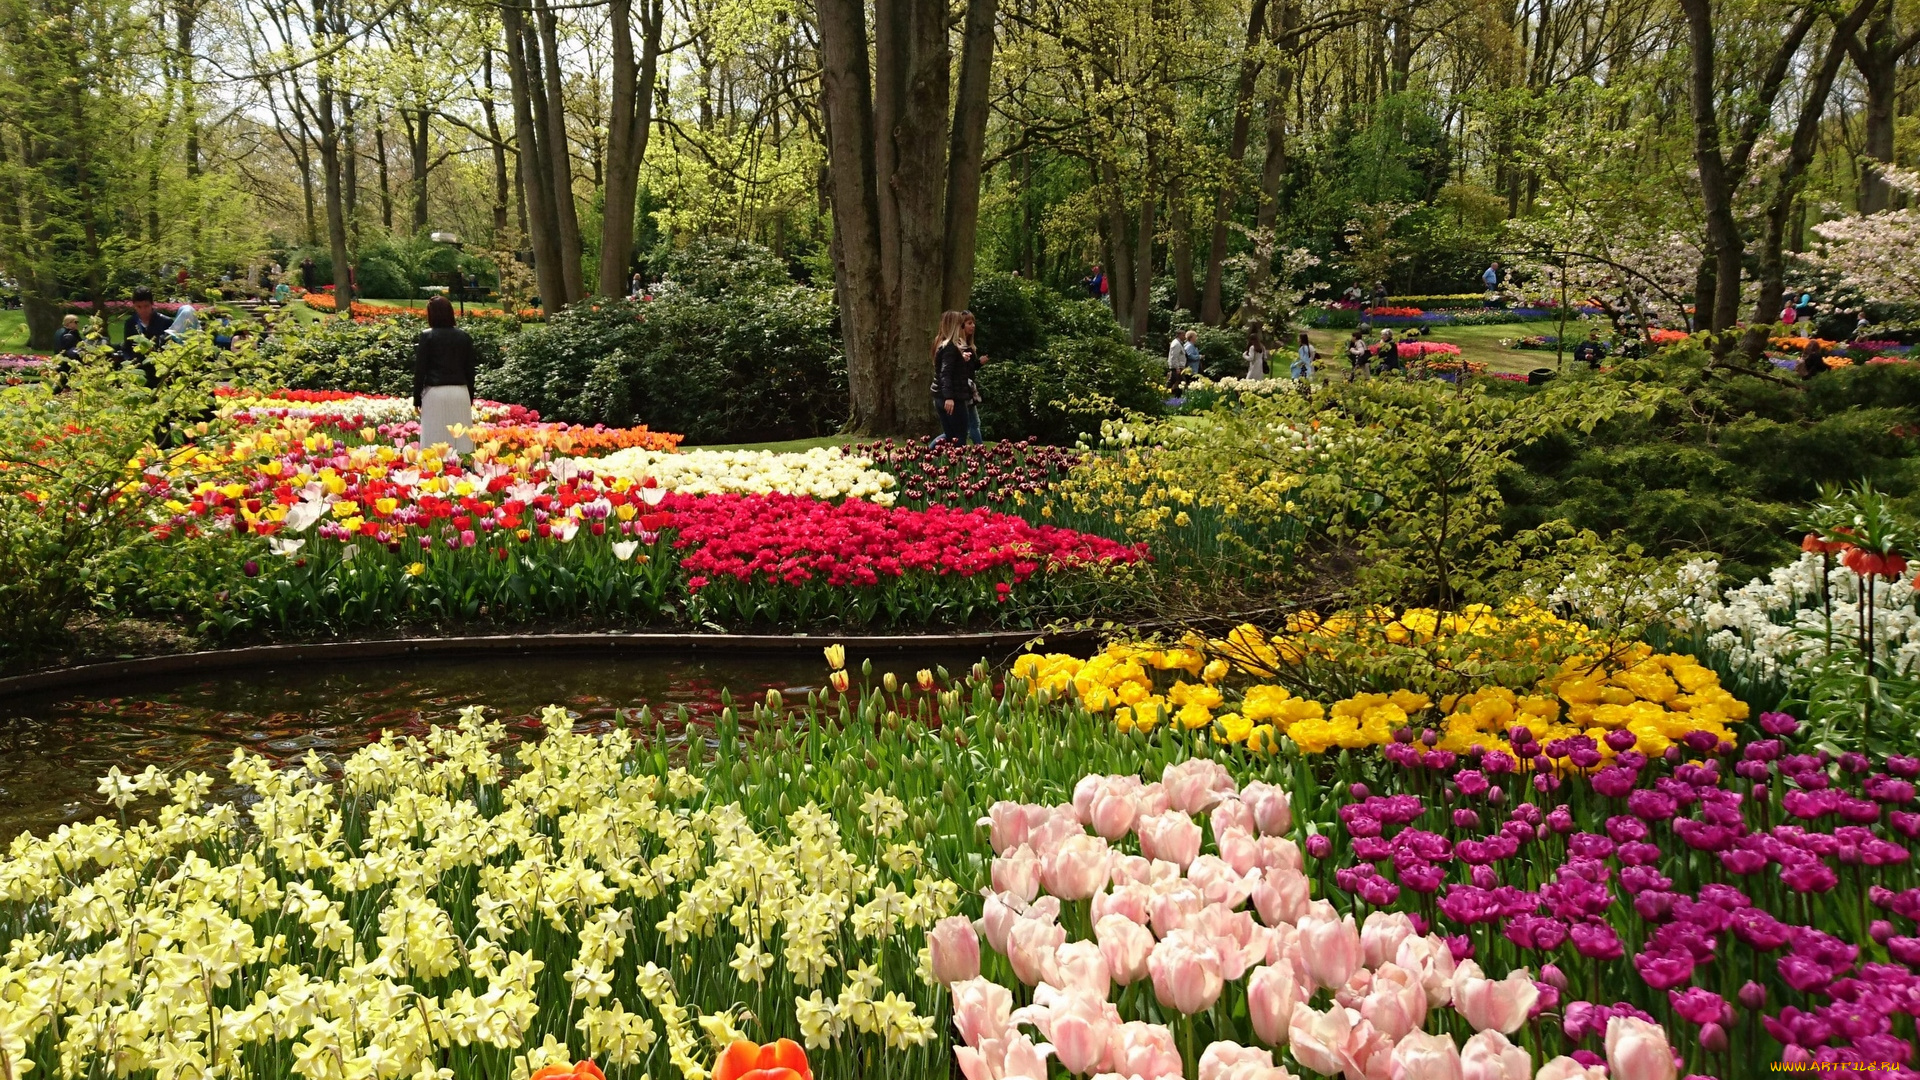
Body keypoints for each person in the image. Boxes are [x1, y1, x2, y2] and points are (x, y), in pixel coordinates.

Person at [414, 296, 477, 453]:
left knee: (434, 440)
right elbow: (470, 370)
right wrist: (470, 396)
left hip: (435, 392)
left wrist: (416, 398)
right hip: (460, 392)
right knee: (462, 442)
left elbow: (420, 369)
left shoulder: (427, 336)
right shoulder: (464, 336)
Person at [930, 310, 970, 443]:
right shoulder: (950, 347)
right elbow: (945, 372)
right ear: (956, 326)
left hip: (940, 396)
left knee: (949, 436)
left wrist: (961, 359)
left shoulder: (941, 344)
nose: (963, 329)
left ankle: (928, 458)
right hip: (952, 398)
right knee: (959, 437)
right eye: (961, 325)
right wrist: (949, 397)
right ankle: (956, 463)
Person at [121, 287, 172, 384]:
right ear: (134, 306)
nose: (143, 310)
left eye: (146, 306)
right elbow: (127, 347)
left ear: (152, 304)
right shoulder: (130, 323)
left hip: (160, 371)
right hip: (138, 371)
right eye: (138, 307)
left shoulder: (166, 322)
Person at [960, 310, 988, 444]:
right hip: (964, 390)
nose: (973, 326)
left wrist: (978, 363)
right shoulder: (959, 346)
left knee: (968, 425)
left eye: (973, 323)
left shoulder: (968, 346)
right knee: (971, 424)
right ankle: (980, 452)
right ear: (962, 325)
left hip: (968, 389)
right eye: (969, 323)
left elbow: (969, 369)